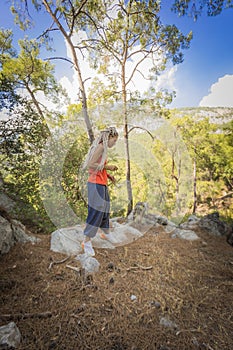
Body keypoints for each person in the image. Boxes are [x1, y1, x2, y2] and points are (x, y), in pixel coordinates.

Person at [81, 126, 119, 256]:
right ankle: (86, 241)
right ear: (109, 138)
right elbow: (90, 165)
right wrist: (109, 167)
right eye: (114, 140)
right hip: (94, 184)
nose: (115, 143)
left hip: (102, 183)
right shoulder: (101, 147)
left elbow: (99, 167)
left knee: (105, 210)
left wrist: (108, 175)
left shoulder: (104, 148)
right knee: (96, 211)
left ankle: (106, 234)